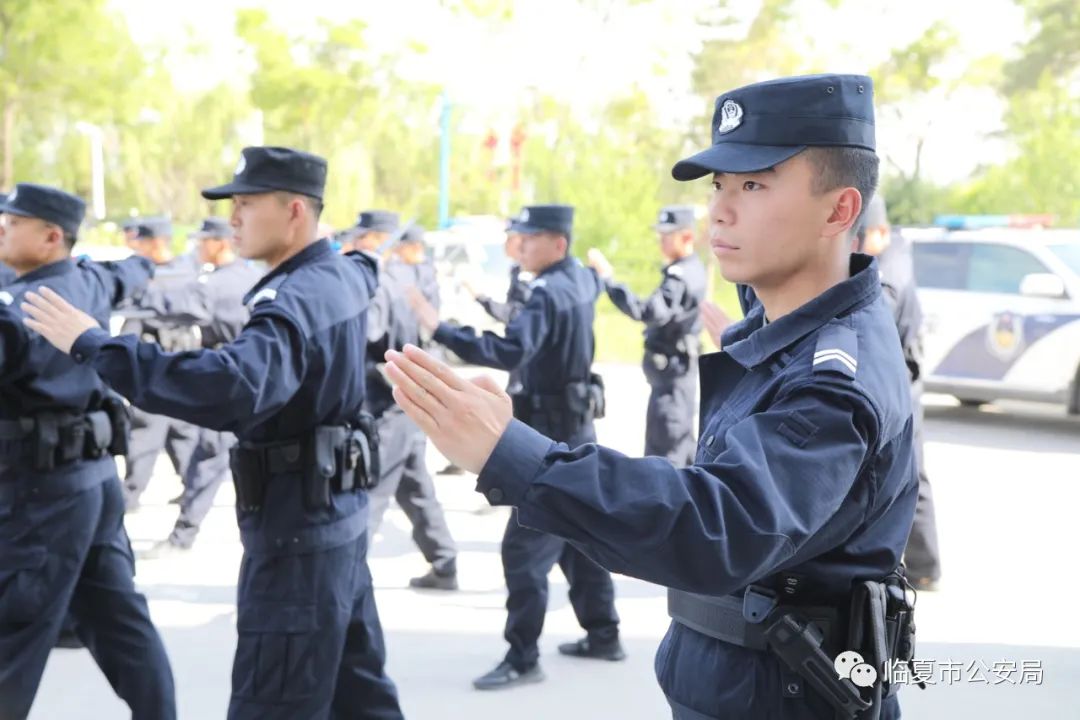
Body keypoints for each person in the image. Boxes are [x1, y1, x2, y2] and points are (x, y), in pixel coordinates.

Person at [386, 75, 921, 719]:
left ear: (838, 211)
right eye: (719, 186)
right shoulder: (793, 324)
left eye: (753, 185)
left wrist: (515, 455)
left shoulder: (833, 377)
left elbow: (717, 525)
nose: (720, 210)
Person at [23, 146, 403, 720]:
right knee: (359, 694)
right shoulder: (343, 272)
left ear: (295, 211)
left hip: (298, 531)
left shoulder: (293, 298)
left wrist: (95, 344)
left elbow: (231, 387)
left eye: (247, 204)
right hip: (335, 518)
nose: (234, 219)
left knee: (273, 700)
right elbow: (367, 273)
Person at [409, 204, 625, 690]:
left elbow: (511, 350)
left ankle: (522, 657)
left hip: (546, 433)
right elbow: (531, 328)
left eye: (529, 240)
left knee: (523, 550)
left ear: (557, 244)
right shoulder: (581, 281)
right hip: (576, 427)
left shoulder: (546, 293)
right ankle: (604, 632)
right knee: (578, 536)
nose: (519, 247)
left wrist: (441, 329)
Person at [0, 183, 175, 718]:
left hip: (41, 494)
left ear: (51, 237)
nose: (1, 229)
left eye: (11, 223)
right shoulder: (90, 280)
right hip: (93, 484)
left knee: (11, 636)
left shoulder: (19, 309)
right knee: (120, 623)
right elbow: (133, 268)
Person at [136, 217, 265, 556]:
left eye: (202, 241)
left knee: (209, 457)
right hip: (255, 381)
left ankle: (182, 537)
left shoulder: (217, 285)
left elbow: (173, 307)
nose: (196, 247)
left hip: (231, 381)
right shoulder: (249, 276)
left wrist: (129, 294)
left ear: (220, 243)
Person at [365, 224, 459, 590]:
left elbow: (370, 335)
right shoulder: (402, 279)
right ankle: (444, 560)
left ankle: (346, 573)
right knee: (415, 488)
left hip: (387, 402)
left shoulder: (383, 283)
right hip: (404, 399)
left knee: (370, 493)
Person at [857, 195, 941, 591]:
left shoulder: (887, 270)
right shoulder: (893, 255)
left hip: (900, 383)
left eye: (862, 235)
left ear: (880, 231)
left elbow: (878, 319)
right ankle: (923, 564)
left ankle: (924, 566)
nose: (855, 245)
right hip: (901, 378)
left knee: (908, 474)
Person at [587, 205, 707, 466]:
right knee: (681, 447)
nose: (661, 241)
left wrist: (608, 278)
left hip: (672, 380)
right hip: (676, 375)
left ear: (686, 237)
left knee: (666, 453)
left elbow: (646, 311)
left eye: (667, 235)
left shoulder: (680, 277)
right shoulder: (690, 269)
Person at [119, 217, 200, 512]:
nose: (136, 247)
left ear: (157, 242)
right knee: (179, 434)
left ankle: (129, 497)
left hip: (165, 364)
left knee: (150, 436)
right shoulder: (184, 272)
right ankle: (190, 490)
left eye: (141, 241)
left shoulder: (176, 274)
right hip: (170, 365)